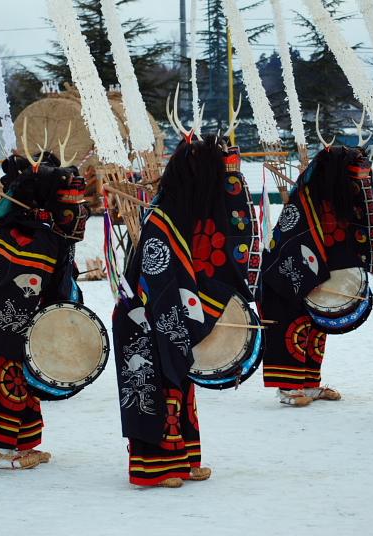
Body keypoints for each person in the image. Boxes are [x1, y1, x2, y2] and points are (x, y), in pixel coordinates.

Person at [113, 135, 254, 487]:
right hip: (144, 316)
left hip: (172, 312)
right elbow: (158, 278)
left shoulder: (187, 212)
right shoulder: (163, 217)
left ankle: (184, 460)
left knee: (181, 386)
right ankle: (156, 468)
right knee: (156, 388)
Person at [0, 155, 88, 469]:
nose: (76, 213)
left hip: (23, 329)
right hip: (1, 331)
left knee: (24, 385)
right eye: (69, 204)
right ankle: (4, 451)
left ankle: (24, 445)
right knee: (6, 382)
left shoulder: (47, 234)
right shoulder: (24, 235)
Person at [259, 146, 373, 406]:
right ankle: (289, 388)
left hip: (319, 275)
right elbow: (294, 240)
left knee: (315, 329)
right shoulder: (307, 197)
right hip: (286, 277)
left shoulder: (338, 198)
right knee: (291, 329)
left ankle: (310, 384)